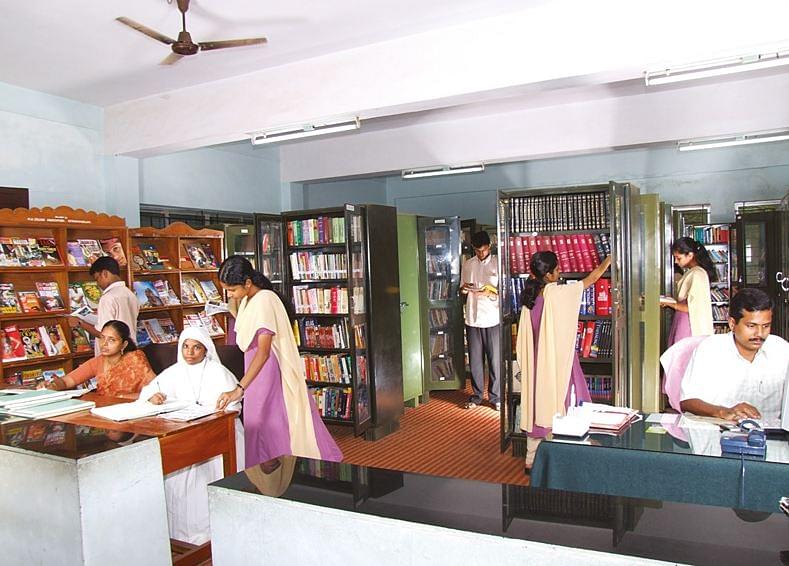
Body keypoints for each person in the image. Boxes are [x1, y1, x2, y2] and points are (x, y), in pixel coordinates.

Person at [215, 255, 343, 465]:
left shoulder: (264, 300)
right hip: (255, 369)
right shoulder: (248, 299)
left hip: (265, 370)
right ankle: (266, 472)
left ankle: (281, 470)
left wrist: (239, 388)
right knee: (259, 423)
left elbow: (263, 352)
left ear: (247, 283)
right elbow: (250, 332)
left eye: (232, 290)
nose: (230, 295)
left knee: (268, 422)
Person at [138, 327, 245, 545]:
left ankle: (213, 531)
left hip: (215, 433)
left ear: (205, 350)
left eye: (196, 347)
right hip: (182, 434)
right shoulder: (173, 372)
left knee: (204, 482)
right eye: (186, 347)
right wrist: (153, 398)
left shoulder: (219, 372)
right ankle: (180, 534)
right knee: (178, 483)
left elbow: (234, 406)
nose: (190, 352)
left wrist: (213, 415)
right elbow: (148, 391)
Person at [517, 251, 611, 468]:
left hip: (535, 361)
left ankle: (531, 458)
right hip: (555, 359)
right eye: (557, 270)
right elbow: (591, 279)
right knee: (564, 398)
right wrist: (608, 261)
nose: (560, 273)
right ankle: (567, 452)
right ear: (548, 274)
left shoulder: (530, 296)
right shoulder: (555, 293)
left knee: (536, 403)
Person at [680, 288, 789, 422]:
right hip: (719, 429)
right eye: (751, 326)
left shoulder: (782, 350)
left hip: (771, 431)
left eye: (766, 326)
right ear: (732, 324)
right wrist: (723, 412)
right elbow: (687, 401)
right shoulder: (710, 350)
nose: (760, 334)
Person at [46, 320, 155, 397]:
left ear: (124, 344)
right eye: (102, 338)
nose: (104, 344)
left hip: (134, 411)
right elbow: (66, 381)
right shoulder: (98, 361)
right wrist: (53, 385)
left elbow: (155, 389)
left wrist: (123, 397)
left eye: (111, 340)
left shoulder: (135, 359)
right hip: (104, 410)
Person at [459, 231, 501, 410]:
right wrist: (464, 289)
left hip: (492, 317)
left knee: (494, 360)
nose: (481, 253)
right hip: (472, 317)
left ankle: (496, 397)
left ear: (489, 246)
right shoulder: (468, 264)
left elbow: (504, 292)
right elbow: (462, 288)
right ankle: (476, 396)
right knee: (475, 361)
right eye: (477, 251)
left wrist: (490, 292)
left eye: (483, 250)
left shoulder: (498, 263)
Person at [72, 256, 139, 355]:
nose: (98, 284)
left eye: (97, 279)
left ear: (104, 273)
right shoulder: (130, 294)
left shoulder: (108, 297)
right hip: (129, 351)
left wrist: (79, 323)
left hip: (112, 355)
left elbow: (102, 334)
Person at [661, 237, 715, 346]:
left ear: (690, 255)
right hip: (683, 319)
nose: (676, 261)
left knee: (683, 351)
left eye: (678, 258)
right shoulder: (694, 272)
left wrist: (670, 303)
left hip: (688, 322)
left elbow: (692, 307)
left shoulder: (697, 274)